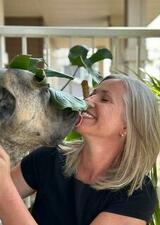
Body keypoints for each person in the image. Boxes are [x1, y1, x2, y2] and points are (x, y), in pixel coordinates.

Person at [0, 73, 159, 225]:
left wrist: (4, 185)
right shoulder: (49, 158)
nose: (88, 100)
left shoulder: (136, 195)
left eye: (104, 99)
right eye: (92, 94)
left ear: (127, 125)